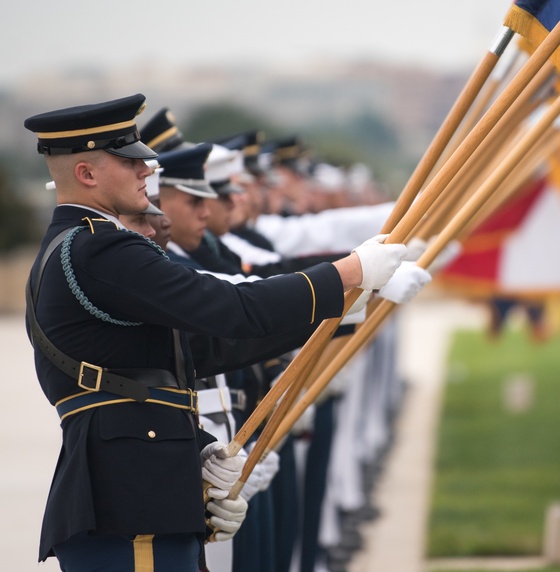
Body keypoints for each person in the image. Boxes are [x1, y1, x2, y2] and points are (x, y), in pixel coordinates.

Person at [23, 94, 410, 569]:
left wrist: (200, 446)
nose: (148, 171)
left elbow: (197, 351)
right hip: (130, 494)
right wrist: (347, 273)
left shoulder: (87, 248)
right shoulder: (99, 250)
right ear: (87, 174)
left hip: (141, 485)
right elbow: (228, 308)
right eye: (131, 162)